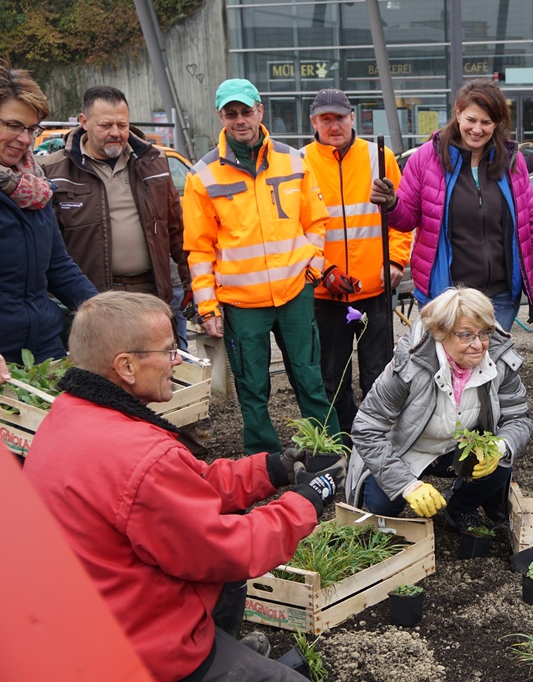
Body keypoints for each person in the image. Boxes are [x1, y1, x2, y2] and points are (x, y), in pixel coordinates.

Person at [23, 291, 343, 682]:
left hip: (84, 621)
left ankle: (221, 640)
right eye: (169, 349)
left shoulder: (70, 414)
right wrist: (308, 501)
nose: (178, 360)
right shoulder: (139, 456)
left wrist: (272, 469)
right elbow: (230, 550)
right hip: (139, 649)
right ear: (125, 366)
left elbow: (186, 485)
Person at [183, 78, 341, 454]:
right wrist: (208, 307)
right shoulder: (202, 175)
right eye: (231, 113)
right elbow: (199, 248)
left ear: (260, 111)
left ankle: (329, 450)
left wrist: (313, 268)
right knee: (252, 385)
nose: (240, 120)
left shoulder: (293, 160)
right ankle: (265, 459)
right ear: (221, 117)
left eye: (246, 111)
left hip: (294, 292)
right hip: (241, 302)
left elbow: (316, 221)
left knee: (308, 375)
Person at [344, 286, 532, 532]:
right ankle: (400, 491)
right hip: (404, 448)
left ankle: (458, 507)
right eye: (466, 335)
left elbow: (519, 418)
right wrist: (407, 485)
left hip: (456, 447)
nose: (478, 344)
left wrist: (499, 448)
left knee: (498, 467)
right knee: (383, 503)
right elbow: (366, 428)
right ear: (440, 332)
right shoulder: (409, 366)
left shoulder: (499, 361)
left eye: (484, 333)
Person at [369, 80, 533, 332]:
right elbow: (407, 220)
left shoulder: (512, 163)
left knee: (492, 370)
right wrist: (391, 204)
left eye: (486, 122)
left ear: (497, 123)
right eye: (471, 120)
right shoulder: (426, 158)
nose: (477, 129)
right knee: (447, 370)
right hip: (445, 295)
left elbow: (530, 225)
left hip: (501, 297)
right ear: (458, 113)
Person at [39, 85, 190, 348]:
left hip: (149, 295)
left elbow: (178, 231)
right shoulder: (54, 170)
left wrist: (191, 286)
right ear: (84, 122)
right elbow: (47, 249)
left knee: (156, 373)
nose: (116, 133)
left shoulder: (153, 162)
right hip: (91, 300)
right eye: (105, 125)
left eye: (122, 125)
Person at [302, 88, 412, 435]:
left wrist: (395, 260)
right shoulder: (299, 162)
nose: (334, 125)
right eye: (326, 119)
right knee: (331, 373)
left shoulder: (381, 157)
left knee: (379, 370)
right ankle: (342, 436)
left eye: (340, 117)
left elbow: (401, 216)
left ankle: (378, 435)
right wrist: (322, 272)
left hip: (374, 287)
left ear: (352, 118)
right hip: (326, 292)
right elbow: (295, 230)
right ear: (314, 122)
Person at [0, 57, 96, 380]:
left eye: (31, 129)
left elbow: (58, 266)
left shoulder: (35, 188)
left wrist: (104, 312)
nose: (25, 140)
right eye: (13, 125)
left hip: (42, 353)